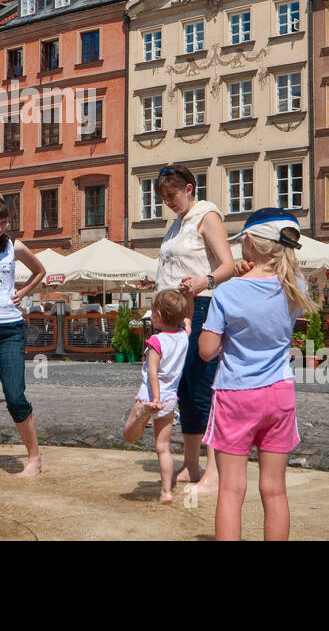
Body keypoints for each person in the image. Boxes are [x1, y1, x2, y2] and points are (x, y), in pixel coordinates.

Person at [199, 208, 317, 541]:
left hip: (236, 394)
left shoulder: (227, 293)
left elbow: (207, 351)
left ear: (248, 242)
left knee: (231, 491)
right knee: (275, 490)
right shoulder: (296, 286)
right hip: (279, 393)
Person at [153, 164, 237, 495]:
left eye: (172, 195)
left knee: (203, 389)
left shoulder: (206, 215)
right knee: (183, 390)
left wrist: (205, 280)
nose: (168, 202)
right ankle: (190, 465)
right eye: (163, 197)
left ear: (189, 189)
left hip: (200, 309)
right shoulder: (177, 225)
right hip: (175, 315)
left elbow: (228, 264)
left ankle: (214, 472)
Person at [0, 195, 47, 478]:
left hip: (10, 328)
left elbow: (40, 271)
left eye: (2, 223)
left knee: (15, 395)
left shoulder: (14, 246)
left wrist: (22, 293)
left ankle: (34, 458)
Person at [122, 289, 192, 503]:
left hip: (150, 396)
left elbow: (153, 372)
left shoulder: (156, 341)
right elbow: (188, 320)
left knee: (128, 435)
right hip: (171, 400)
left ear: (159, 316)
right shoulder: (183, 336)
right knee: (163, 448)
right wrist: (188, 295)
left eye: (152, 311)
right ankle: (166, 492)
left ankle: (143, 414)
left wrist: (155, 400)